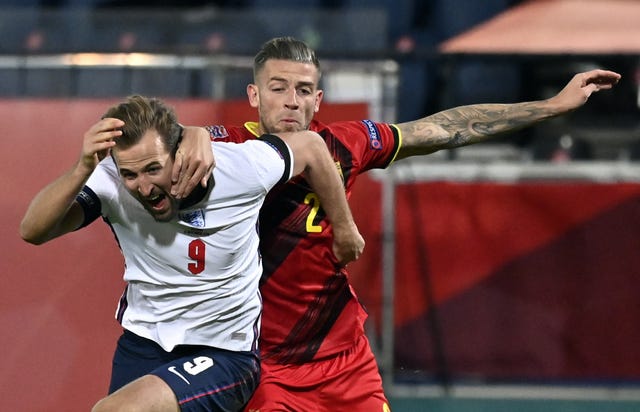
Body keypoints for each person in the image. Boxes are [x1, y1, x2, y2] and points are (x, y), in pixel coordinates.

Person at [184, 37, 621, 411]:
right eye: (277, 88)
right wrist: (191, 135)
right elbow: (154, 139)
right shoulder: (229, 149)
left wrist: (550, 106)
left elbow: (441, 128)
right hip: (264, 365)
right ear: (254, 95)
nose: (291, 100)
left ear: (318, 99)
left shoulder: (346, 143)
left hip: (343, 358)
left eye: (303, 89)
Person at [19, 95, 364, 412]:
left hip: (223, 353)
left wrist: (345, 229)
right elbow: (32, 231)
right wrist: (83, 167)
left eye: (154, 168)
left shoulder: (240, 169)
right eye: (130, 174)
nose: (143, 186)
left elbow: (312, 146)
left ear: (178, 153)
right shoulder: (110, 183)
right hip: (143, 345)